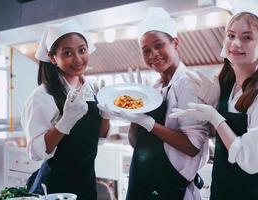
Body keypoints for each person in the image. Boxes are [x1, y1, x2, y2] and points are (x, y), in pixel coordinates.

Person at [169, 11, 258, 200]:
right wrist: (213, 101)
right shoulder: (227, 83)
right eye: (231, 35)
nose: (235, 44)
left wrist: (216, 118)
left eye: (247, 37)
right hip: (223, 192)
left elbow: (249, 160)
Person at [112, 7, 210, 200]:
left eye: (159, 45)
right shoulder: (155, 88)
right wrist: (136, 114)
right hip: (144, 186)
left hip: (173, 190)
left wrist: (150, 124)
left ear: (175, 43)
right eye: (146, 50)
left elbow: (192, 146)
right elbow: (135, 142)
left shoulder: (188, 84)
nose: (153, 54)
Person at [21, 20, 110, 200]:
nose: (78, 59)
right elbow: (36, 152)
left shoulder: (91, 89)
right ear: (53, 57)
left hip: (86, 187)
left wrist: (106, 114)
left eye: (82, 50)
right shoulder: (43, 96)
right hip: (54, 189)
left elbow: (98, 138)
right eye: (67, 53)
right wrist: (65, 122)